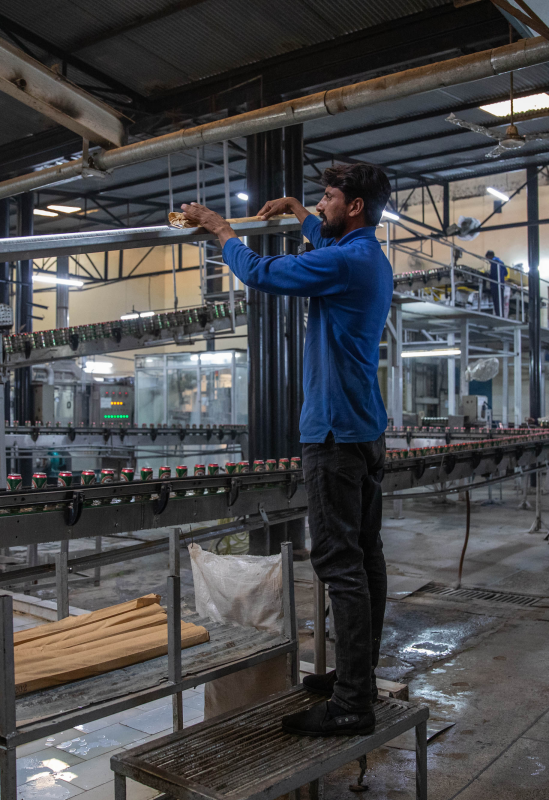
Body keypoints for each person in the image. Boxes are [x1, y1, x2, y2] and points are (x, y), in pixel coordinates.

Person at [181, 163, 393, 737]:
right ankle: (359, 676)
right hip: (364, 429)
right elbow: (322, 236)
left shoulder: (343, 262)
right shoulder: (367, 255)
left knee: (339, 564)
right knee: (365, 557)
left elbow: (261, 272)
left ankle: (353, 704)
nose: (321, 204)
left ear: (354, 207)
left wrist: (221, 230)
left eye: (328, 197)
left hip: (334, 434)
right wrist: (299, 210)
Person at [485, 250, 509, 318]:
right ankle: (501, 315)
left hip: (495, 285)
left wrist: (488, 276)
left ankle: (498, 315)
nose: (488, 261)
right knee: (500, 301)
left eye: (487, 259)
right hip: (501, 285)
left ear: (489, 256)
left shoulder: (493, 262)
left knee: (496, 302)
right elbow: (506, 273)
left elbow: (494, 275)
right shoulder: (501, 262)